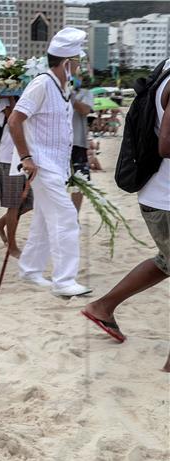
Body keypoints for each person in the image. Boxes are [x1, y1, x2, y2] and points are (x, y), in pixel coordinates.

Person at [83, 61, 170, 372]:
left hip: (158, 193)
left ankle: (103, 306)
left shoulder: (165, 68)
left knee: (166, 261)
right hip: (166, 197)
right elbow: (167, 144)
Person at [7, 27, 92, 297]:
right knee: (66, 217)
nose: (80, 66)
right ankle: (64, 281)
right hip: (41, 165)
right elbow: (14, 120)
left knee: (44, 220)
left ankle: (30, 269)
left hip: (56, 165)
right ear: (67, 63)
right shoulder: (42, 83)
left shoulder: (61, 88)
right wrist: (26, 157)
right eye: (78, 61)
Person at [0, 96, 33, 259]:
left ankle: (0, 224)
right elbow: (15, 120)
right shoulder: (2, 100)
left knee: (30, 202)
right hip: (7, 158)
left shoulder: (23, 97)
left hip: (23, 156)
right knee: (13, 204)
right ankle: (12, 247)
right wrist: (10, 96)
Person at [70, 76, 94, 211]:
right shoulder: (55, 92)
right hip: (58, 144)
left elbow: (85, 110)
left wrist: (70, 96)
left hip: (78, 143)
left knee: (79, 182)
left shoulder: (86, 93)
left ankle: (74, 215)